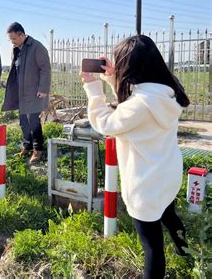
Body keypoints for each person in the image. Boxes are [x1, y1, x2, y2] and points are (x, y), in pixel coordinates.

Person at [80, 35, 189, 278]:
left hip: (145, 182)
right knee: (169, 216)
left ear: (131, 65)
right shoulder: (167, 93)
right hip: (167, 172)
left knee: (152, 247)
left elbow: (105, 123)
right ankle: (188, 253)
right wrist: (111, 79)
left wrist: (93, 90)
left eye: (121, 62)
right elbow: (130, 105)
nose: (117, 66)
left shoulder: (140, 104)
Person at [2, 22, 51, 164]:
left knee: (33, 121)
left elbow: (45, 69)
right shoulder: (16, 50)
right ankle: (27, 146)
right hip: (20, 92)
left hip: (34, 92)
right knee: (23, 121)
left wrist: (43, 89)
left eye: (14, 38)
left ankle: (37, 150)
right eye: (10, 39)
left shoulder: (37, 47)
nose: (12, 42)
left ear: (22, 35)